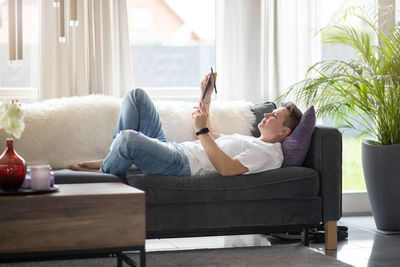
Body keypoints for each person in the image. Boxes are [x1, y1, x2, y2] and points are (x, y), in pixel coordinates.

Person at [69, 73, 303, 177]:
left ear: (284, 131)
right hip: (172, 148)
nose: (268, 114)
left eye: (275, 115)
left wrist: (201, 130)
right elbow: (211, 136)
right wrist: (207, 96)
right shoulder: (251, 141)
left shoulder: (269, 154)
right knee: (136, 96)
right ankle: (115, 158)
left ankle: (106, 173)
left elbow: (228, 169)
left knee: (128, 139)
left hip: (180, 165)